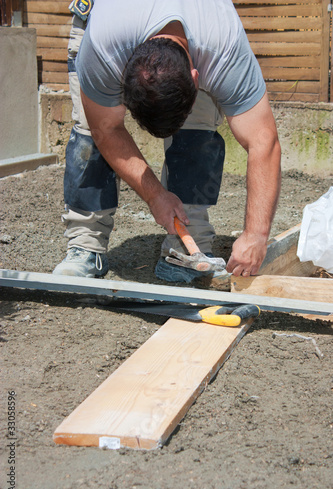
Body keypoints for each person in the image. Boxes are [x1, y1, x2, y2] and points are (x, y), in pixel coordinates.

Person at [53, 0, 281, 282]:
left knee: (197, 132)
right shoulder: (102, 50)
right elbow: (106, 129)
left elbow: (263, 140)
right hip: (100, 20)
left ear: (196, 78)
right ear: (123, 77)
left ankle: (187, 244)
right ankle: (84, 245)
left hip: (196, 33)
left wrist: (256, 234)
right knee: (90, 132)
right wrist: (154, 194)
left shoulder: (224, 49)